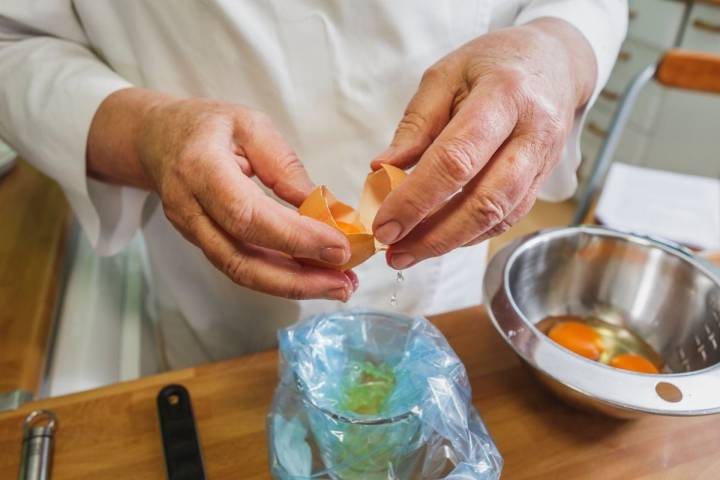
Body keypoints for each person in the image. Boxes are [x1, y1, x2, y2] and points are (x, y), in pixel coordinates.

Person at [0, 1, 627, 368]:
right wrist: (145, 133)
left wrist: (556, 48)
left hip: (444, 269)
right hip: (210, 308)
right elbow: (14, 42)